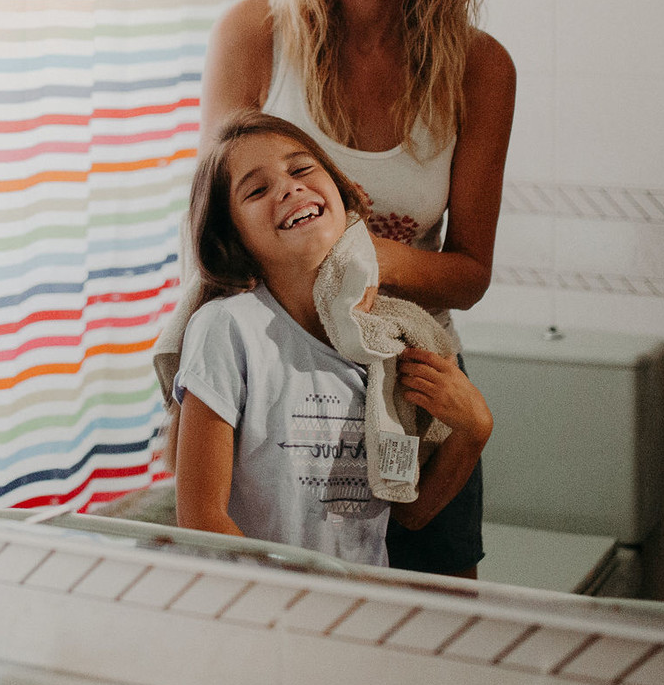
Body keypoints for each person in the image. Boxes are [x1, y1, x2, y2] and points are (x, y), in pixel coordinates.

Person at [197, 0, 515, 577]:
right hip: (272, 383)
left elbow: (469, 272)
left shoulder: (480, 69)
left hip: (414, 386)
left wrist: (347, 254)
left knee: (428, 645)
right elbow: (216, 236)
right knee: (282, 629)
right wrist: (201, 398)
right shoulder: (256, 37)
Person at [172, 112, 491, 566]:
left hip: (356, 615)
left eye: (301, 169)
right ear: (231, 239)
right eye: (257, 190)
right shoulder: (228, 329)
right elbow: (201, 519)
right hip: (265, 614)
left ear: (345, 197)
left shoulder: (383, 346)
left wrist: (474, 430)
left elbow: (411, 511)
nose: (289, 187)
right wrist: (291, 600)